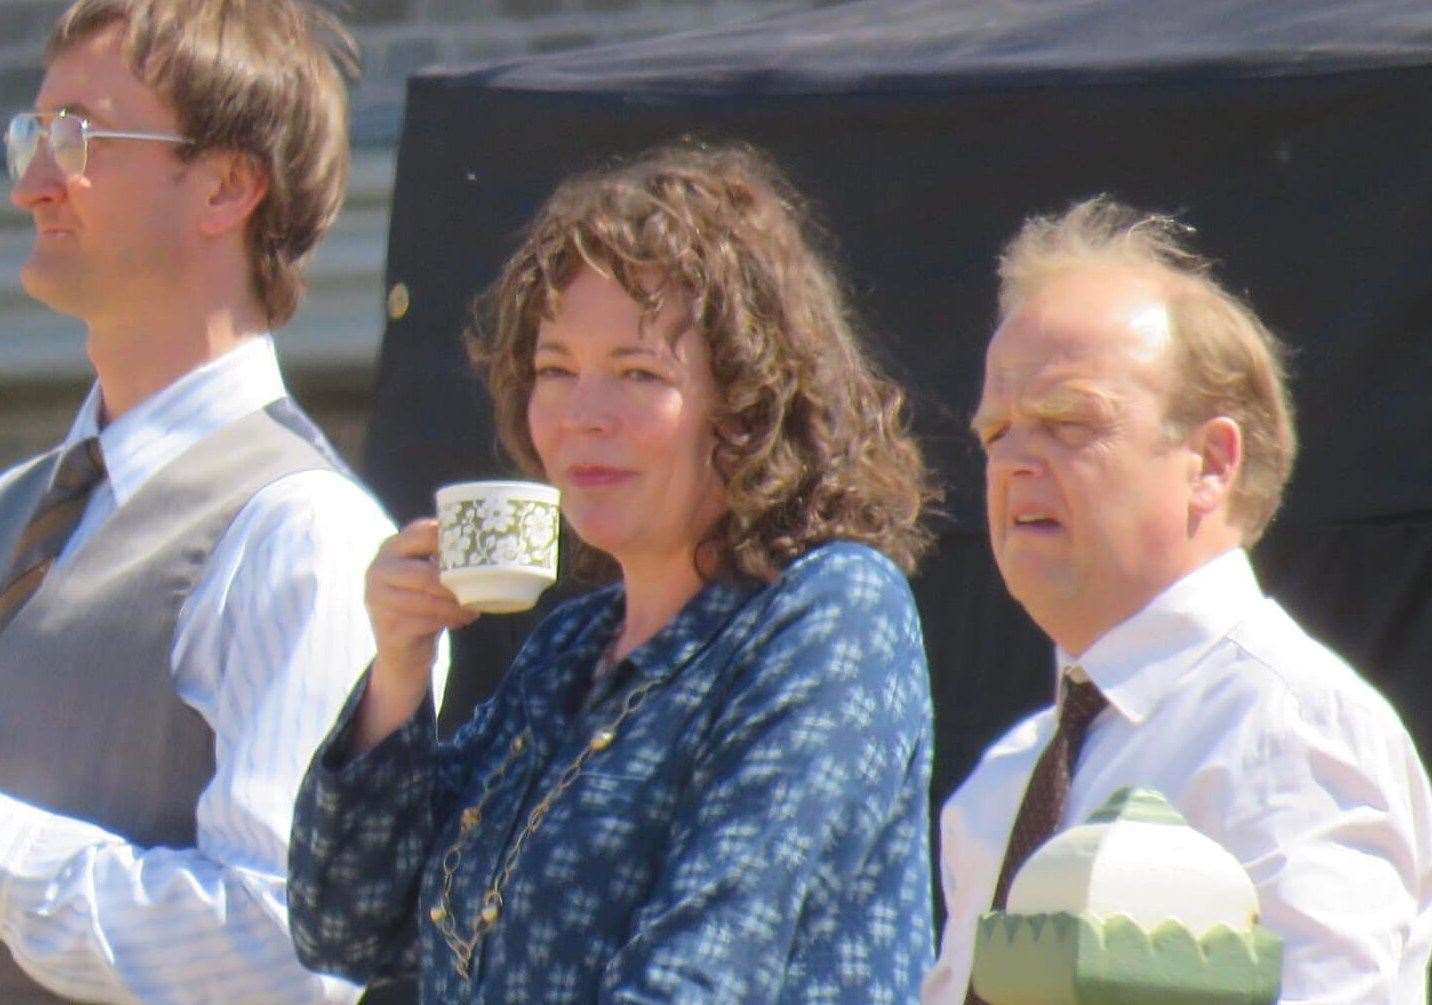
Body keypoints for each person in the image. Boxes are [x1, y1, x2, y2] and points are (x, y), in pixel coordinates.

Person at [288, 142, 939, 1002]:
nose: (582, 416)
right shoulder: (571, 645)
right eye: (555, 370)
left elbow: (704, 968)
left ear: (747, 405)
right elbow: (344, 925)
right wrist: (400, 668)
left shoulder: (830, 612)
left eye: (638, 373)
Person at [923, 197, 1432, 1004]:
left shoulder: (1283, 729)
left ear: (1211, 462)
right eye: (996, 432)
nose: (1015, 459)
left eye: (1067, 420)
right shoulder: (1002, 782)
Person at [0, 0, 399, 1000]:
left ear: (226, 185)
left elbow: (289, 951)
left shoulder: (303, 535)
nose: (36, 183)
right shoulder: (11, 506)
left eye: (78, 135)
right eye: (31, 135)